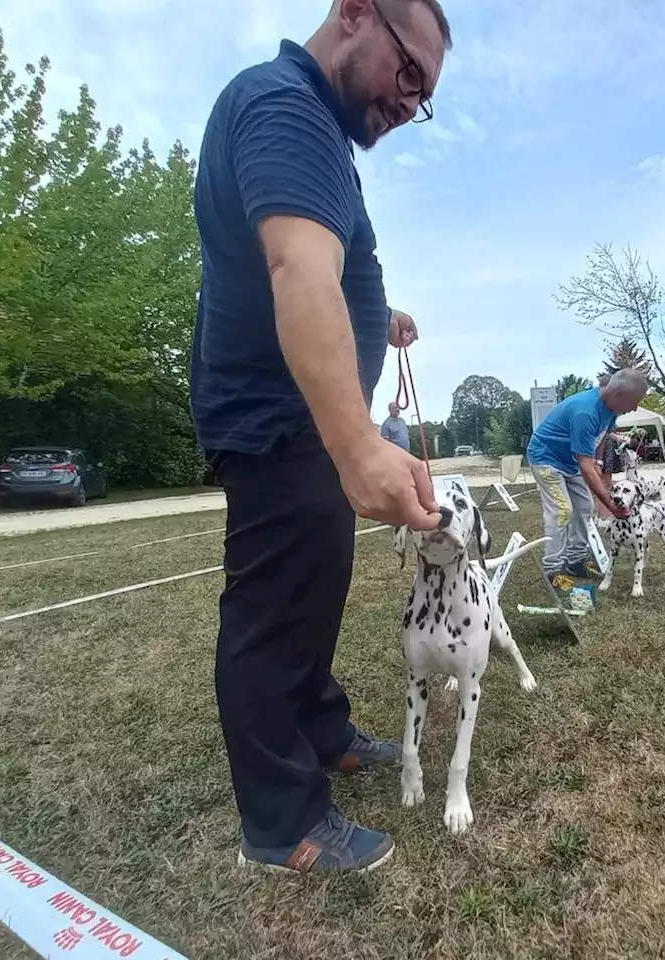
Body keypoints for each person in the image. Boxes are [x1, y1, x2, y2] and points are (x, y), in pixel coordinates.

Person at [189, 0, 452, 876]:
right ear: (354, 14)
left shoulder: (319, 135)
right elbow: (298, 267)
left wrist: (384, 314)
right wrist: (354, 443)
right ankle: (282, 823)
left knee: (314, 590)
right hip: (276, 420)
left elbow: (332, 267)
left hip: (302, 419)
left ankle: (324, 730)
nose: (410, 105)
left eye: (425, 97)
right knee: (272, 615)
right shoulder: (283, 104)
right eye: (409, 72)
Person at [528, 370, 648, 581]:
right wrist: (611, 506)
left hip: (570, 460)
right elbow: (585, 466)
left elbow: (602, 435)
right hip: (546, 458)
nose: (634, 408)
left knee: (584, 506)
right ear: (618, 394)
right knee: (562, 510)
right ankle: (553, 570)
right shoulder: (586, 411)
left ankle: (575, 562)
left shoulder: (610, 409)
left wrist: (599, 461)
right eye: (634, 401)